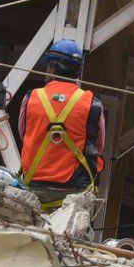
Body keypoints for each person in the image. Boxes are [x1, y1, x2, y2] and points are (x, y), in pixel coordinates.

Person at [17, 39, 106, 208]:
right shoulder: (93, 104)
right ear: (78, 71)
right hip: (74, 191)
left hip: (35, 187)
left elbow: (24, 134)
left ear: (51, 66)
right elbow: (98, 147)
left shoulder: (31, 98)